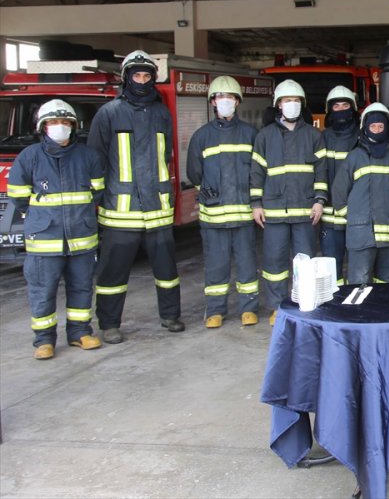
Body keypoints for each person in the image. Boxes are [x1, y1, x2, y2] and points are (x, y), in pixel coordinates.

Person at [89, 51, 184, 344]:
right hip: (120, 210)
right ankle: (109, 324)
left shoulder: (160, 112)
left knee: (167, 270)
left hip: (156, 207)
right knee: (112, 273)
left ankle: (170, 316)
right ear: (126, 78)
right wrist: (99, 196)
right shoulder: (109, 113)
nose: (142, 81)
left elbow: (165, 154)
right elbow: (96, 158)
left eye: (146, 76)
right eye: (137, 76)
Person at [7, 100, 104, 359]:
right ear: (43, 127)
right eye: (53, 122)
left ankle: (80, 333)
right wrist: (40, 216)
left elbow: (97, 192)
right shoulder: (29, 157)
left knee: (82, 287)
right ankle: (44, 340)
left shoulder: (88, 156)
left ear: (73, 126)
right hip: (44, 240)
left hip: (81, 238)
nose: (59, 127)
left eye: (64, 122)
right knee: (42, 291)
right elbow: (18, 195)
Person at [250, 79, 326, 325]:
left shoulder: (314, 135)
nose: (291, 105)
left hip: (305, 211)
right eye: (286, 100)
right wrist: (256, 205)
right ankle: (276, 307)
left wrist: (319, 201)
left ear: (301, 105)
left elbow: (321, 172)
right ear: (278, 105)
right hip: (274, 211)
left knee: (305, 262)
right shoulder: (265, 136)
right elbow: (257, 173)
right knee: (274, 262)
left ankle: (305, 304)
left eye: (295, 101)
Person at [187, 76, 260, 329]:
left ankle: (248, 309)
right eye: (220, 97)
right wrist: (209, 194)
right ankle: (216, 311)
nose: (225, 101)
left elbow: (258, 171)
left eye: (230, 97)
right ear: (213, 102)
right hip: (214, 218)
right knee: (216, 267)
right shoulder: (202, 136)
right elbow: (195, 172)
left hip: (243, 217)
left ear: (237, 102)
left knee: (247, 264)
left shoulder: (251, 134)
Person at [332, 103, 389, 285]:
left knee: (386, 282)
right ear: (365, 128)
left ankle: (382, 314)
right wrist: (354, 216)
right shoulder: (354, 157)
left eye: (381, 127)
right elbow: (338, 193)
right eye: (373, 127)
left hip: (388, 235)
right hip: (361, 235)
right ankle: (357, 314)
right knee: (359, 283)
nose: (377, 131)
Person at [320, 85, 359, 285]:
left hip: (356, 216)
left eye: (346, 105)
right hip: (329, 217)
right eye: (337, 106)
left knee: (358, 267)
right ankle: (334, 305)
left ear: (353, 109)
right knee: (331, 268)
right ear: (330, 110)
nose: (342, 110)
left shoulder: (362, 137)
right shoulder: (322, 138)